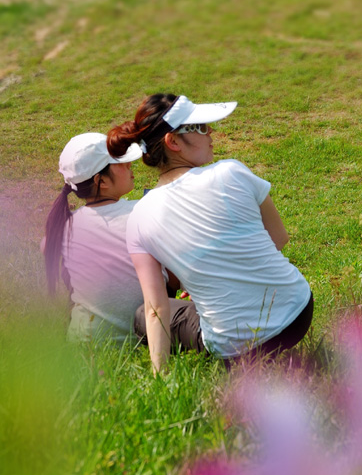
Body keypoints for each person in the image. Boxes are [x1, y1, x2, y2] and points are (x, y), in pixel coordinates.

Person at [106, 94, 313, 373]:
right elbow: (279, 238)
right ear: (174, 142)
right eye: (201, 127)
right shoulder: (233, 172)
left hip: (234, 350)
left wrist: (160, 377)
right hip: (297, 315)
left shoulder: (139, 218)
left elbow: (156, 309)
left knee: (142, 315)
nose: (211, 132)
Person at [44, 132, 199, 346]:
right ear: (102, 181)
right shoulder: (145, 210)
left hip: (85, 344)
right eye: (120, 163)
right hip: (149, 337)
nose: (129, 165)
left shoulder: (63, 227)